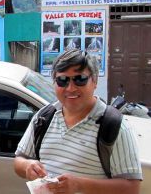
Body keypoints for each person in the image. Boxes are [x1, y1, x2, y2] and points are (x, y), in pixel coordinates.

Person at [14, 49, 142, 194]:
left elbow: (132, 188)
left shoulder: (115, 126)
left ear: (94, 81)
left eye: (80, 79)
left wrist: (80, 185)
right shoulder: (44, 118)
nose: (70, 88)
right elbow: (19, 160)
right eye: (62, 80)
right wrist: (28, 166)